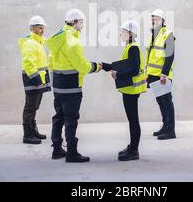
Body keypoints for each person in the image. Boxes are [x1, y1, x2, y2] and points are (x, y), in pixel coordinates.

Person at [45, 9, 102, 162]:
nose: (82, 26)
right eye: (82, 22)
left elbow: (51, 61)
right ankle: (71, 152)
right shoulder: (72, 40)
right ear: (75, 22)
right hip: (70, 86)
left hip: (57, 84)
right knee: (71, 118)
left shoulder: (59, 36)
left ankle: (57, 149)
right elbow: (82, 66)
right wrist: (97, 66)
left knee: (59, 116)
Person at [102, 20, 147, 161]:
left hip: (132, 91)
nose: (120, 34)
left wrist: (118, 75)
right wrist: (105, 66)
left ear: (130, 34)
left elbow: (133, 70)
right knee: (132, 120)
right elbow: (124, 66)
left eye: (123, 31)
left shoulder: (133, 48)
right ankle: (132, 146)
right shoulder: (130, 47)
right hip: (129, 90)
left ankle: (134, 150)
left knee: (133, 120)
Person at [18, 15, 52, 144]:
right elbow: (28, 64)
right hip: (33, 81)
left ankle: (33, 131)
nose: (42, 30)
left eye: (43, 28)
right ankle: (27, 135)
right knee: (30, 108)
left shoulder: (39, 42)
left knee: (34, 107)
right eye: (39, 28)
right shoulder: (30, 43)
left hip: (38, 81)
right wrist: (36, 80)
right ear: (32, 28)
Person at [145, 9, 176, 140]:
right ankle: (165, 126)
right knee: (160, 101)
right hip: (152, 74)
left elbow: (170, 55)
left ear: (163, 21)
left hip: (162, 75)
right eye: (152, 19)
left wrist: (164, 73)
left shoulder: (167, 34)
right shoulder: (153, 35)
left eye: (156, 18)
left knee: (166, 101)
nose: (153, 21)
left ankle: (171, 130)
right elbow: (149, 57)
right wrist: (146, 73)